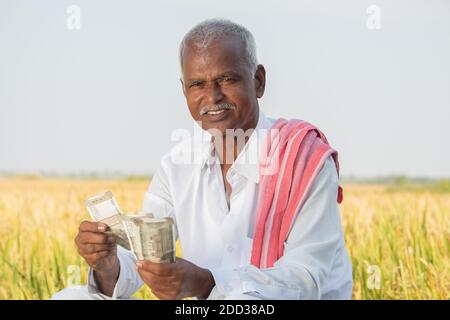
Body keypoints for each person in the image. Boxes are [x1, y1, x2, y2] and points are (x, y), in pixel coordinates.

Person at [52, 18, 352, 300]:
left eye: (226, 78)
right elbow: (145, 260)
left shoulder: (304, 160)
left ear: (258, 81)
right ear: (184, 90)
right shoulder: (177, 165)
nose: (212, 97)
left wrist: (206, 282)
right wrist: (108, 265)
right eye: (197, 84)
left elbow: (306, 278)